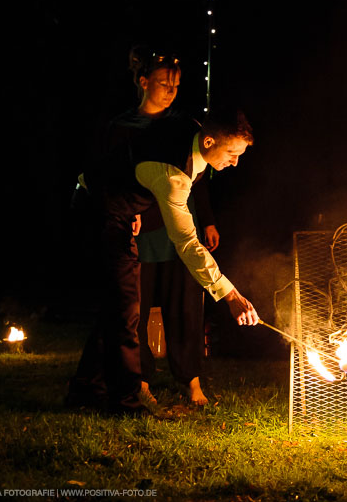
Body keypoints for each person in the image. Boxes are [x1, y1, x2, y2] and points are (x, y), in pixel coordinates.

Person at [68, 84, 259, 415]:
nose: (235, 163)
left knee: (117, 306)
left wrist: (136, 209)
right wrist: (231, 296)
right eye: (233, 154)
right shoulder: (174, 174)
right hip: (97, 206)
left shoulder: (195, 132)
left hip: (119, 208)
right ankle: (125, 403)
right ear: (211, 142)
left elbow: (140, 165)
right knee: (128, 307)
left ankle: (85, 390)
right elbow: (186, 243)